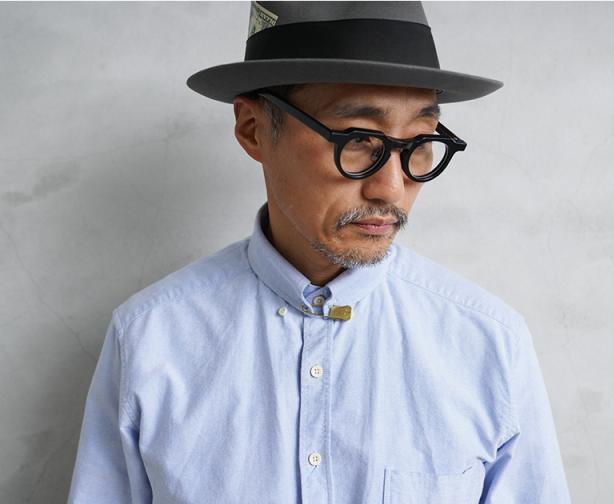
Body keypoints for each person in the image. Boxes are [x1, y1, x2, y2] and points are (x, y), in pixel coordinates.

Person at [67, 2, 572, 503]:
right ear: (253, 129)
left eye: (419, 142)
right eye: (358, 139)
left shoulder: (488, 345)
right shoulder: (151, 338)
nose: (391, 189)